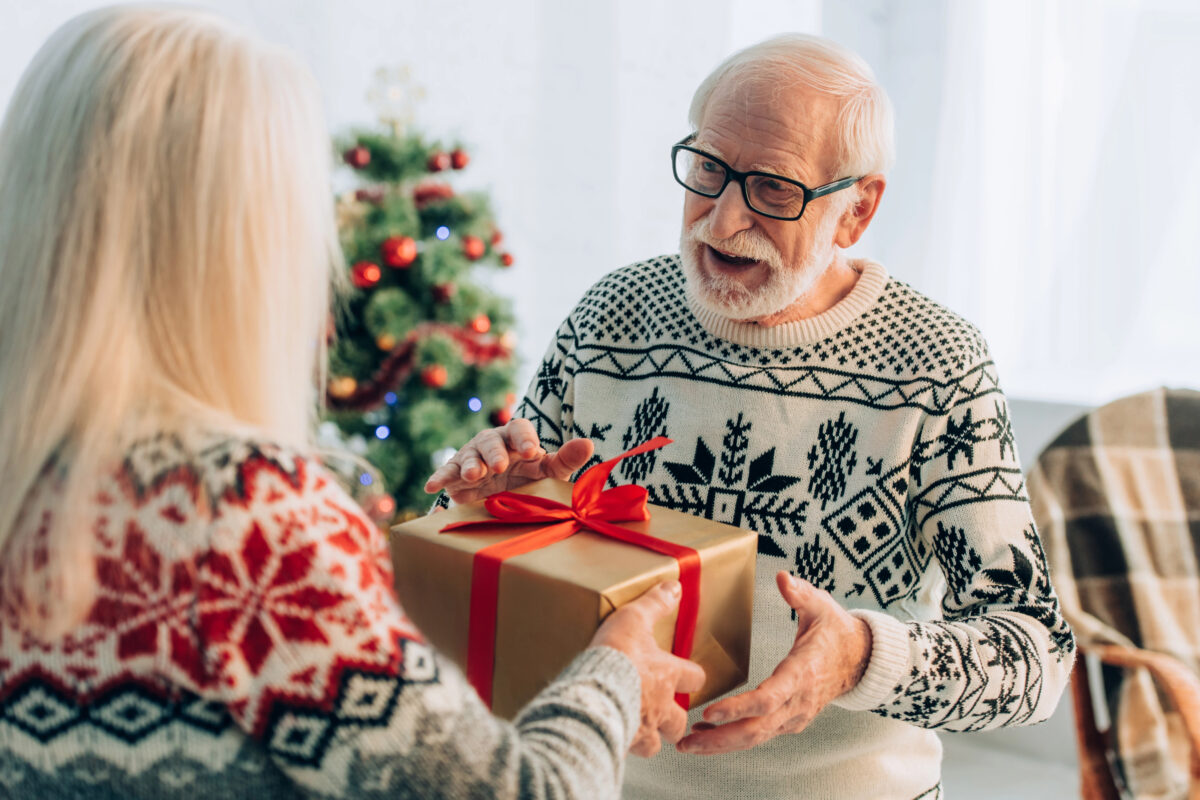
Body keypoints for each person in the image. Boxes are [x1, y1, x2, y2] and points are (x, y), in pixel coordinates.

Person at [0, 7, 703, 799]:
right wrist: (614, 673)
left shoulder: (36, 480)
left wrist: (463, 535)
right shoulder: (244, 519)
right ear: (239, 244)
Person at [426, 33, 1077, 799]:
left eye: (773, 188)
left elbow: (1033, 660)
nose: (723, 220)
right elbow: (509, 568)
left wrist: (859, 657)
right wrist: (481, 508)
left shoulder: (936, 364)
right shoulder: (611, 317)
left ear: (856, 210)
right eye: (708, 169)